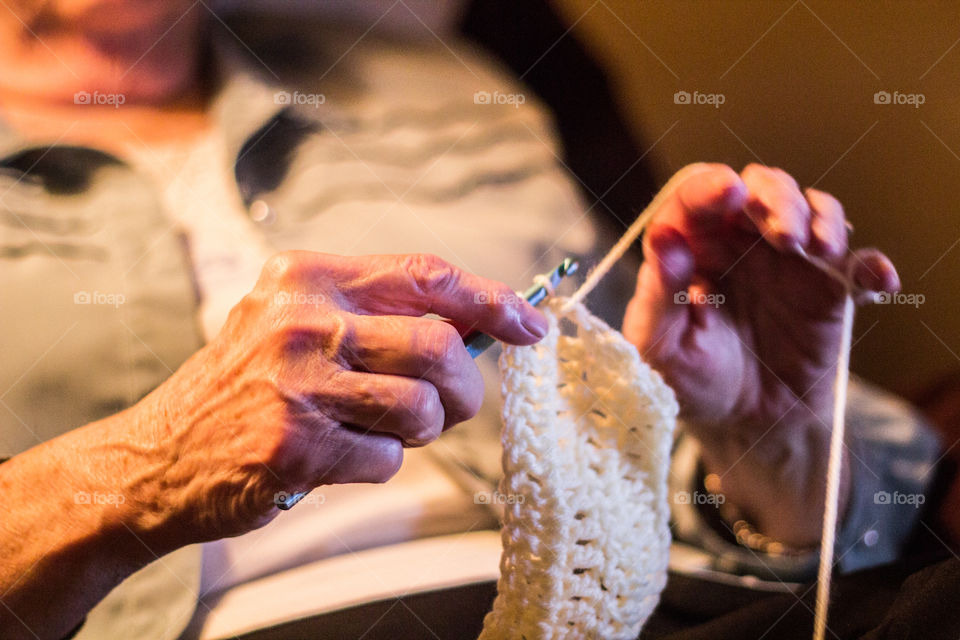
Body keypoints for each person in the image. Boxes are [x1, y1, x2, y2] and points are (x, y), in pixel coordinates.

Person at [0, 1, 948, 639]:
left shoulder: (433, 80)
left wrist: (768, 438)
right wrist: (146, 470)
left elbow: (818, 537)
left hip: (655, 603)